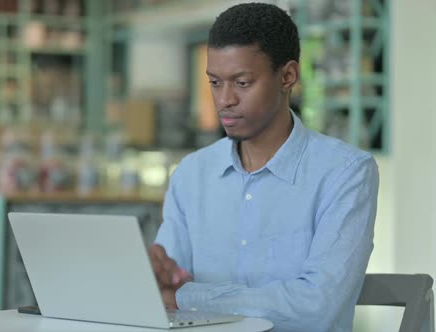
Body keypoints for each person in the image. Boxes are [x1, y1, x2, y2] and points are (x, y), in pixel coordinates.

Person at [149, 3, 379, 331]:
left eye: (241, 83)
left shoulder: (346, 173)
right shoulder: (191, 174)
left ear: (287, 77)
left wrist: (191, 297)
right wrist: (155, 277)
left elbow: (317, 308)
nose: (224, 99)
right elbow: (166, 291)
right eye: (215, 82)